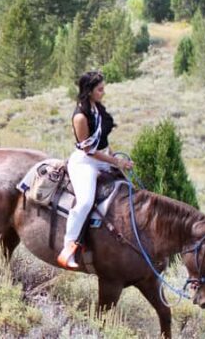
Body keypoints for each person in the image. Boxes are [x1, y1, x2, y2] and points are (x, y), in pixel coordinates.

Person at [57, 70, 134, 270]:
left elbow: (103, 140)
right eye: (100, 89)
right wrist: (116, 162)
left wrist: (115, 157)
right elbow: (89, 150)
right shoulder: (80, 117)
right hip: (85, 162)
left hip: (103, 157)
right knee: (85, 202)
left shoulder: (97, 108)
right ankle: (68, 247)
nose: (103, 92)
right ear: (89, 90)